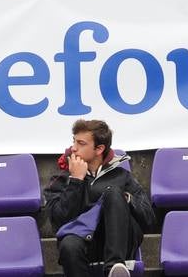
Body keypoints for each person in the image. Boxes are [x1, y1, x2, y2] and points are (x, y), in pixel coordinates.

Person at [47, 118, 155, 277]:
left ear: (99, 149)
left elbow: (149, 220)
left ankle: (115, 268)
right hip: (84, 241)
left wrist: (126, 200)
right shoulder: (63, 178)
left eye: (81, 144)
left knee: (113, 192)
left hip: (120, 241)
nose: (73, 149)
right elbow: (58, 221)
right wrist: (76, 181)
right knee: (69, 245)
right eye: (74, 142)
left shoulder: (123, 176)